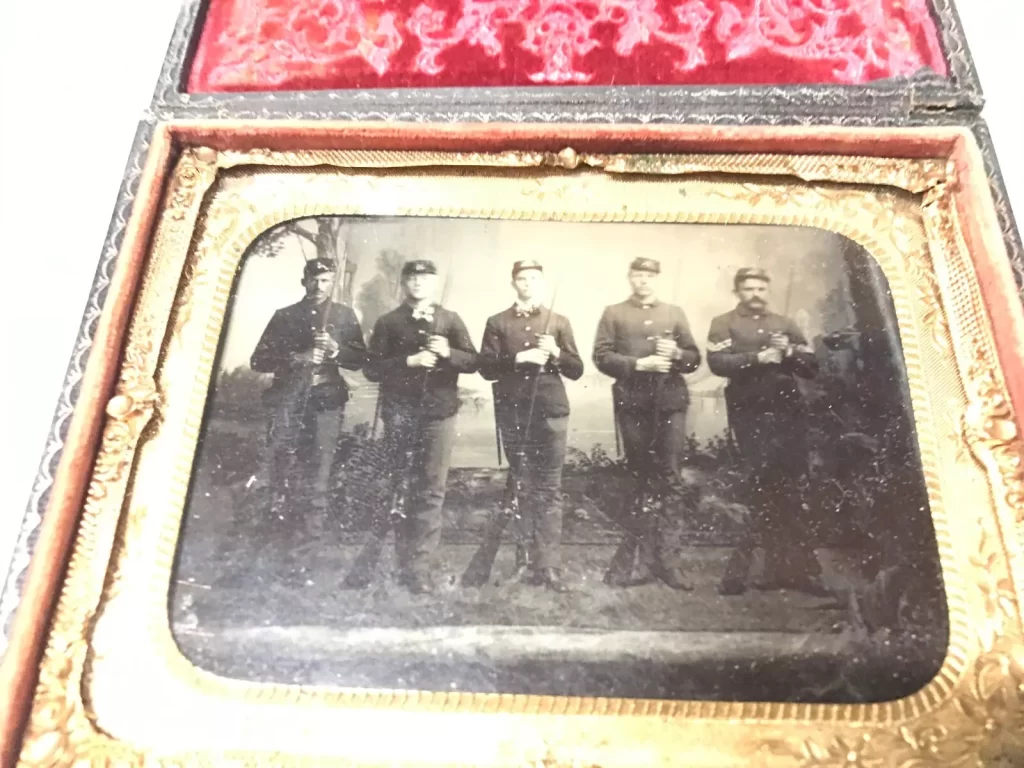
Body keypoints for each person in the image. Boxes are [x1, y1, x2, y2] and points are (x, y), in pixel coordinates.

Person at [344, 259, 478, 594]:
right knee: (393, 486)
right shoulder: (389, 322)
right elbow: (372, 369)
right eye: (412, 278)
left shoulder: (451, 319)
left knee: (430, 491)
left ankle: (418, 569)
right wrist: (409, 361)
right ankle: (382, 564)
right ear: (404, 284)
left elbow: (474, 361)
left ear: (434, 283)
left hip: (439, 416)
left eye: (425, 278)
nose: (418, 283)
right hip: (400, 414)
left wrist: (448, 351)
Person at [707, 267, 832, 598]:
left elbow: (811, 367)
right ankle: (739, 574)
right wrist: (759, 357)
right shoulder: (724, 323)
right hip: (750, 418)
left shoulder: (785, 324)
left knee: (789, 492)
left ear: (768, 290)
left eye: (761, 288)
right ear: (738, 292)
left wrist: (789, 351)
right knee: (760, 491)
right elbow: (717, 363)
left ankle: (795, 573)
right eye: (749, 288)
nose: (756, 294)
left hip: (788, 418)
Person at [462, 260, 584, 592]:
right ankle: (524, 564)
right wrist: (519, 359)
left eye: (533, 278)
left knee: (549, 490)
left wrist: (555, 353)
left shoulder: (558, 321)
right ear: (513, 283)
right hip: (514, 412)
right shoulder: (497, 322)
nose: (527, 283)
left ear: (541, 283)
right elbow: (485, 367)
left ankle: (549, 567)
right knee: (522, 487)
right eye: (521, 278)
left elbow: (576, 369)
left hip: (551, 412)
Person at [592, 257, 701, 590]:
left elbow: (695, 358)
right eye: (638, 275)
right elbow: (601, 356)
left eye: (649, 275)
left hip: (669, 404)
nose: (643, 281)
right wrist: (640, 364)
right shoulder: (614, 313)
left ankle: (670, 563)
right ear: (630, 278)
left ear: (657, 278)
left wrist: (677, 355)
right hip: (634, 404)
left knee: (669, 479)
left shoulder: (674, 312)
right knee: (639, 479)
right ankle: (636, 562)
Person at [250, 257, 367, 522]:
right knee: (284, 468)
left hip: (326, 402)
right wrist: (297, 358)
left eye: (325, 280)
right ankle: (279, 531)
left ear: (333, 283)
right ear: (304, 281)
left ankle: (309, 541)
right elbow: (258, 361)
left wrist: (336, 349)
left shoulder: (344, 315)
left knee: (319, 474)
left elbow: (361, 360)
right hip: (289, 403)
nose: (318, 286)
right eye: (313, 280)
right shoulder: (284, 316)